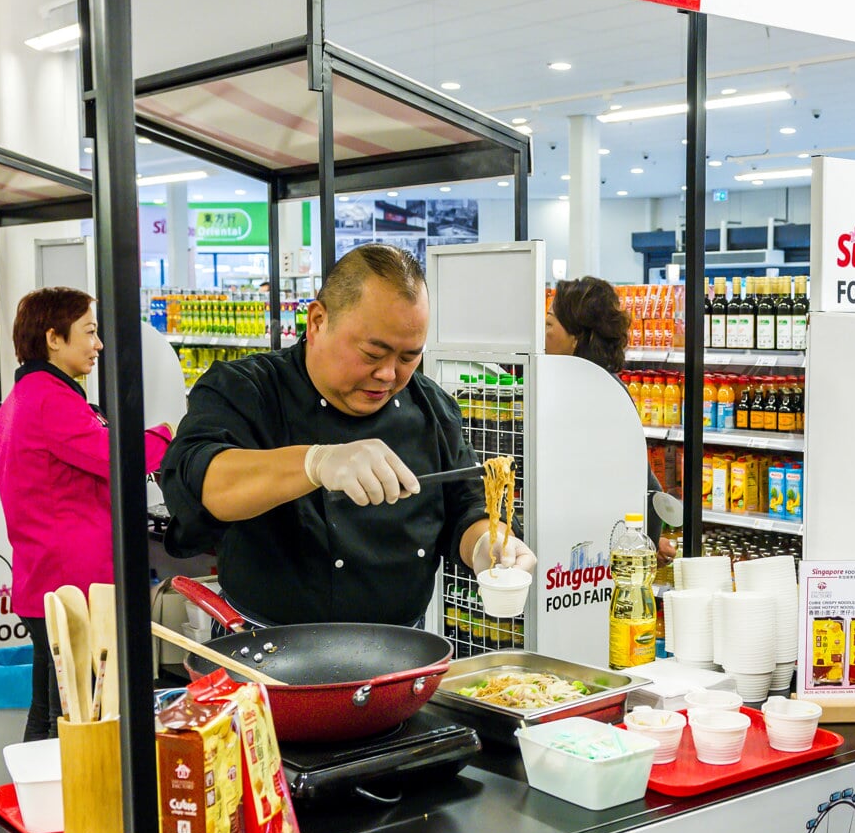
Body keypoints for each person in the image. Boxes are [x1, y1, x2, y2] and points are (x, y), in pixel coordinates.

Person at [161, 244, 535, 628]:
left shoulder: (433, 409)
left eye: (408, 357)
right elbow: (196, 479)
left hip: (402, 650)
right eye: (373, 354)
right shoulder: (246, 389)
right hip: (264, 648)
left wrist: (488, 546)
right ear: (318, 320)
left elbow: (468, 506)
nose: (389, 375)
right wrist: (316, 463)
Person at [0, 288, 172, 740]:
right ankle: (68, 806)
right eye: (89, 333)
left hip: (46, 577)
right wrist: (171, 432)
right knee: (77, 721)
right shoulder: (49, 402)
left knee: (50, 710)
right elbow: (121, 457)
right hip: (72, 582)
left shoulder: (26, 397)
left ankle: (40, 802)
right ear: (54, 338)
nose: (98, 345)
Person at [543, 276, 674, 558]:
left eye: (549, 324)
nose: (542, 332)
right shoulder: (567, 386)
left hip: (587, 560)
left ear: (576, 338)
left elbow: (646, 485)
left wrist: (643, 547)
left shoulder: (599, 395)